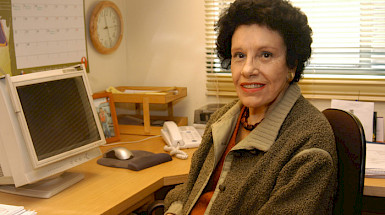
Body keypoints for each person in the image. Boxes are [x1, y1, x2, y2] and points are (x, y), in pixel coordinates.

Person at [164, 0, 337, 214]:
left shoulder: (309, 141)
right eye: (240, 55)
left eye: (265, 55)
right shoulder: (222, 119)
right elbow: (192, 190)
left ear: (291, 64)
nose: (247, 69)